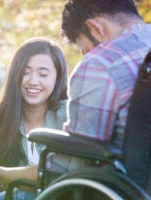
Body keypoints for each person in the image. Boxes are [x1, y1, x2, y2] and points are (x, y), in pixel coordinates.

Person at [59, 0, 151, 192]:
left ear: (95, 27)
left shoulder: (101, 63)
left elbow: (70, 167)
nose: (87, 56)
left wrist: (2, 173)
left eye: (85, 50)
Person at [0, 37, 68, 200]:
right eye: (25, 72)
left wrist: (2, 175)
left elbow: (64, 174)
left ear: (57, 77)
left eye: (43, 74)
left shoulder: (67, 115)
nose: (33, 81)